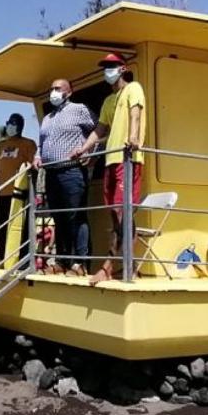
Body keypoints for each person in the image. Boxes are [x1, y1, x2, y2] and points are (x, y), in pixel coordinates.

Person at [72, 53, 146, 284]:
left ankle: (108, 266)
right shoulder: (108, 100)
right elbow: (100, 129)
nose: (108, 71)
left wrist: (133, 137)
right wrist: (83, 149)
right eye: (105, 67)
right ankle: (130, 266)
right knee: (115, 214)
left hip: (128, 158)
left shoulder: (133, 88)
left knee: (123, 213)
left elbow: (136, 112)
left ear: (122, 68)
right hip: (110, 160)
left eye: (112, 66)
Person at [34, 79, 95, 275]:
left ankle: (81, 263)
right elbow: (41, 143)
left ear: (69, 92)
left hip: (72, 170)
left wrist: (91, 153)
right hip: (51, 173)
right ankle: (62, 260)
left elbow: (100, 129)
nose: (53, 92)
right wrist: (37, 156)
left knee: (75, 216)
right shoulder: (47, 117)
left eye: (57, 89)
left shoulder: (79, 109)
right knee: (59, 218)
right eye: (51, 88)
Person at [0, 113, 36, 265]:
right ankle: (2, 257)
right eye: (8, 122)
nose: (9, 125)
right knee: (3, 226)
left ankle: (23, 258)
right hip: (3, 193)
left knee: (21, 228)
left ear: (19, 126)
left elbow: (32, 165)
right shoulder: (1, 145)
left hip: (20, 194)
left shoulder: (28, 144)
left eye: (13, 123)